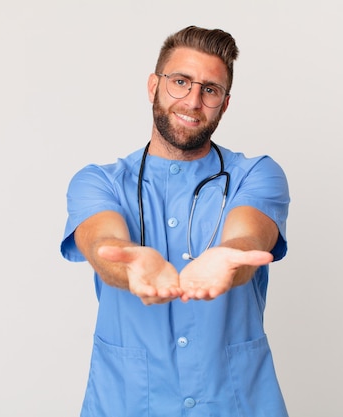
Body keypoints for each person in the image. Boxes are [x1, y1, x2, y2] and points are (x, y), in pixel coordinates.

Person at [60, 25, 290, 417]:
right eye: (180, 82)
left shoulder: (256, 175)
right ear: (153, 86)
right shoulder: (98, 182)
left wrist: (230, 256)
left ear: (225, 103)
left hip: (235, 404)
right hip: (128, 402)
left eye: (210, 90)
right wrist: (128, 263)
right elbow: (103, 240)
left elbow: (249, 233)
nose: (193, 101)